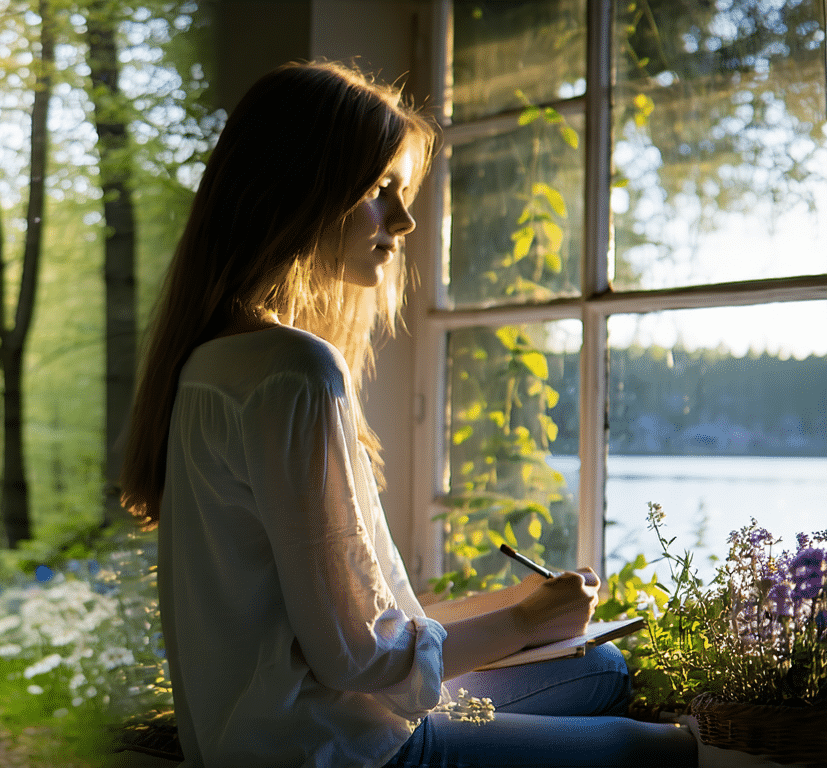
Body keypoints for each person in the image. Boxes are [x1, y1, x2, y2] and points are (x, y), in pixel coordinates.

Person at [119, 61, 698, 768]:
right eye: (378, 190)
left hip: (275, 731)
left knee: (601, 670)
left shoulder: (209, 362)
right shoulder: (294, 371)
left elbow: (333, 622)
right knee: (661, 753)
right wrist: (521, 621)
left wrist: (515, 607)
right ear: (300, 190)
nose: (404, 218)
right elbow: (355, 655)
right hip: (335, 751)